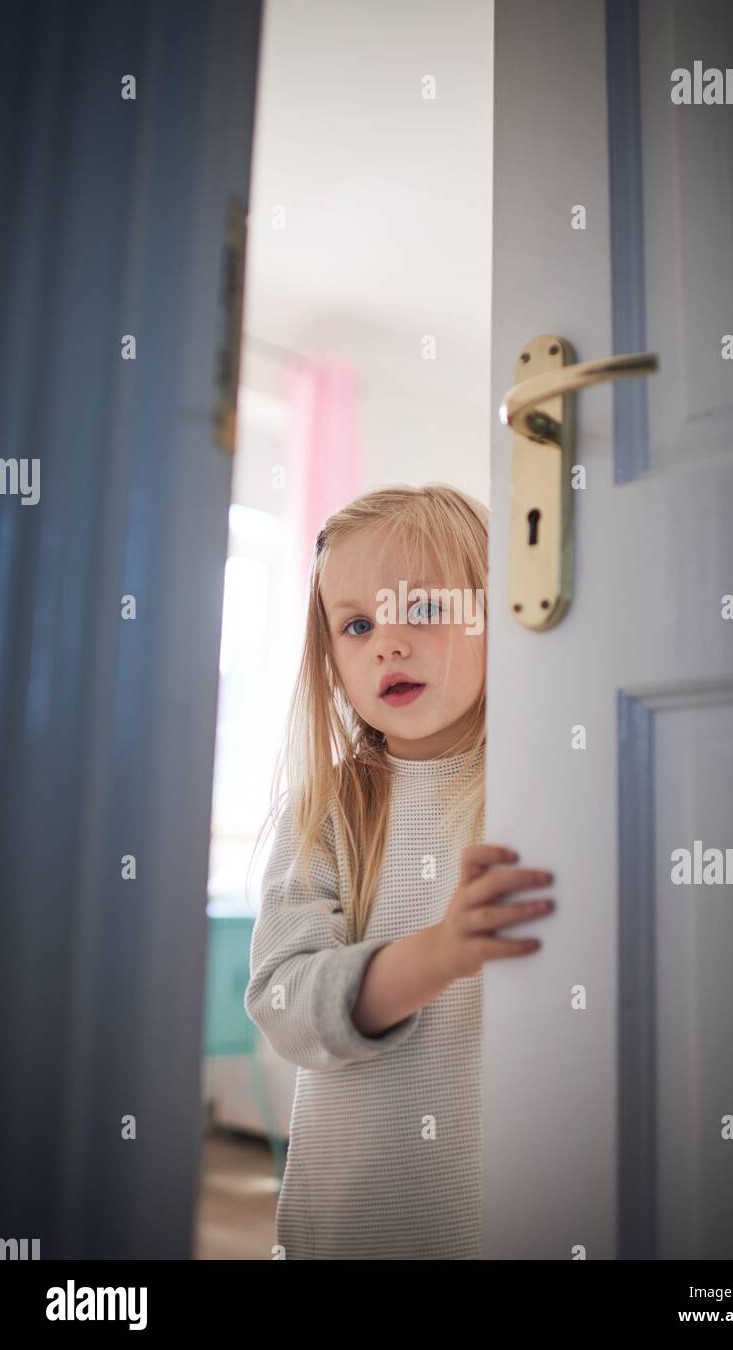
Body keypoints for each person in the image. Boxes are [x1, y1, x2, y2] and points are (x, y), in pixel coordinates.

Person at [244, 483, 555, 1259]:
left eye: (421, 609)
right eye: (357, 624)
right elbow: (285, 1003)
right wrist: (439, 953)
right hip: (352, 1219)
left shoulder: (543, 786)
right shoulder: (326, 811)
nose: (386, 641)